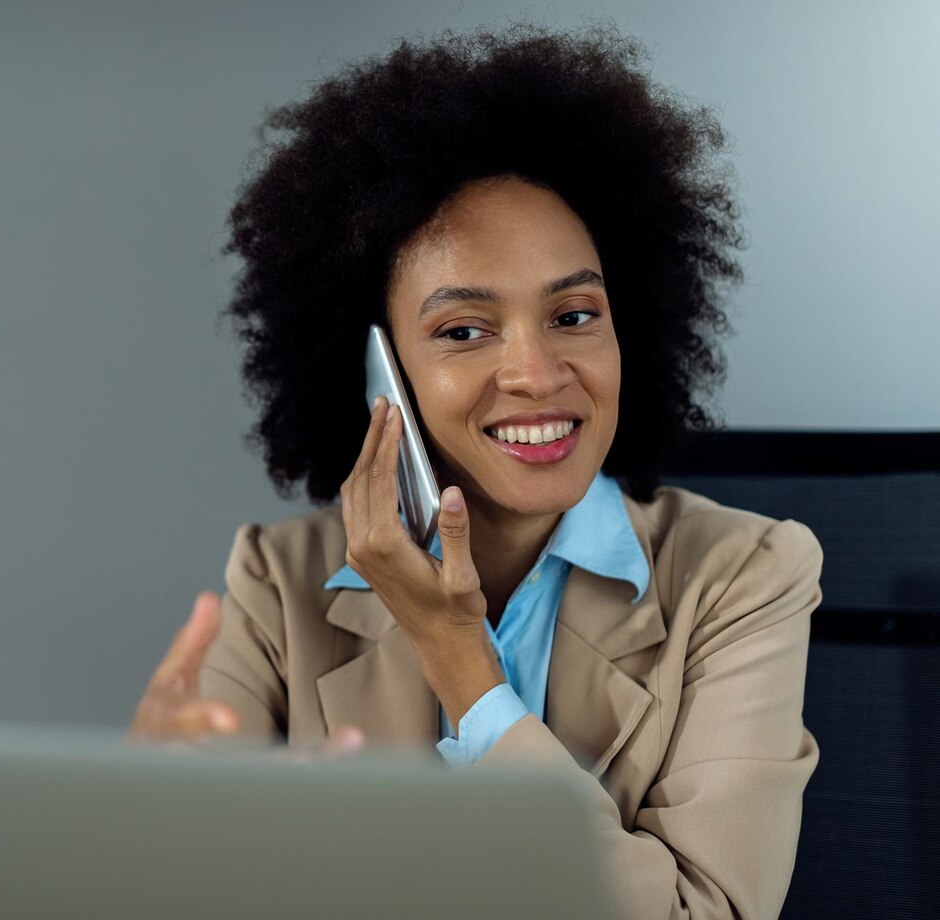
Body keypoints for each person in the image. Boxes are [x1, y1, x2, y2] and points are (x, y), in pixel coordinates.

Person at [128, 21, 821, 919]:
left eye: (575, 314)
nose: (537, 372)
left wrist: (464, 667)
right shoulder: (279, 583)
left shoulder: (746, 577)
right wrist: (147, 811)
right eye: (463, 330)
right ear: (379, 371)